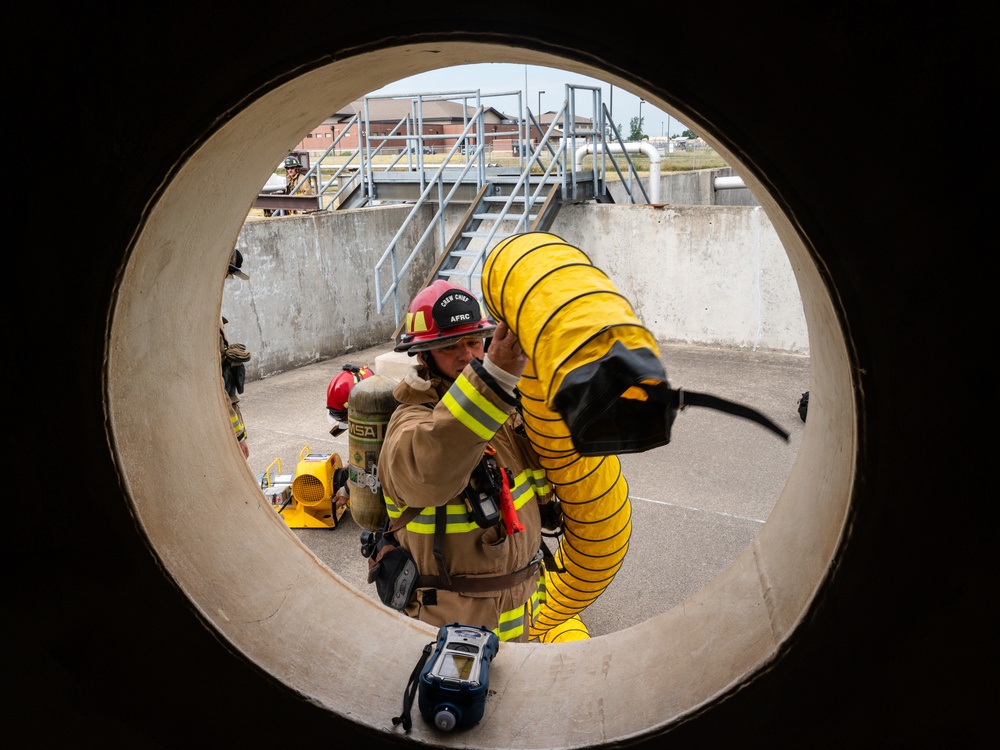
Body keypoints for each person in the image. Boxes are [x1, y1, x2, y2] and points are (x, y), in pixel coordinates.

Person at [377, 280, 555, 643]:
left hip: (520, 604)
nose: (467, 356)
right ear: (424, 356)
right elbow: (430, 471)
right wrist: (495, 378)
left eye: (474, 342)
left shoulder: (499, 411)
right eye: (449, 346)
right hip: (453, 621)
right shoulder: (411, 422)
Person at [222, 249, 252, 459]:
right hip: (225, 422)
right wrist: (239, 437)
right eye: (227, 273)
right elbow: (218, 389)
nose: (226, 279)